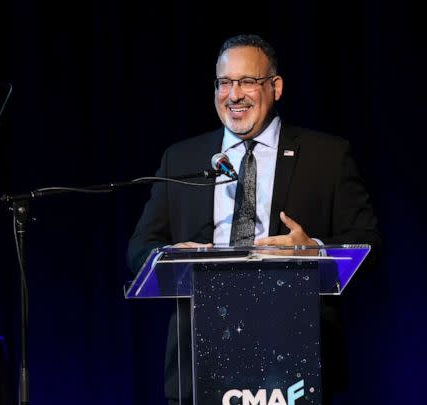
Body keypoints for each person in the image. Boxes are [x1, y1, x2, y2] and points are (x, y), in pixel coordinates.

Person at [127, 34, 381, 405]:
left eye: (247, 81)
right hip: (201, 363)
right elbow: (138, 250)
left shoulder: (326, 156)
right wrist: (169, 256)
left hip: (295, 360)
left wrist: (316, 252)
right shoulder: (181, 159)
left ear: (275, 87)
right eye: (224, 83)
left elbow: (369, 244)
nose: (234, 95)